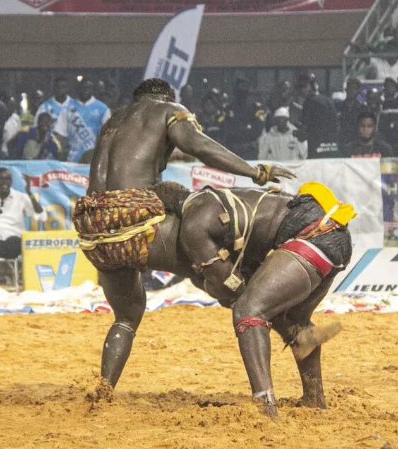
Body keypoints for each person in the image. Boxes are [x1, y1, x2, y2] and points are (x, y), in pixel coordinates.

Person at [70, 78, 295, 408]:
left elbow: (130, 160)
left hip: (93, 227)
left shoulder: (115, 119)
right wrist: (254, 171)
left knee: (127, 316)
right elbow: (200, 146)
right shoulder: (168, 110)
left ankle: (104, 391)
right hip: (135, 218)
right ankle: (289, 337)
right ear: (166, 97)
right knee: (210, 261)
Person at [137, 180, 354, 417]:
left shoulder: (192, 221)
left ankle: (265, 405)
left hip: (312, 236)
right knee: (291, 318)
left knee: (248, 311)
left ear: (166, 214)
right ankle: (314, 398)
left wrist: (207, 283)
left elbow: (229, 287)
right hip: (334, 235)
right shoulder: (213, 197)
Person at [54, 78, 112, 162]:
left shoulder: (103, 109)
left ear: (93, 90)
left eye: (88, 88)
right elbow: (61, 134)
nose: (85, 90)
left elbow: (107, 136)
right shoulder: (67, 108)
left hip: (93, 158)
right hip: (72, 159)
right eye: (83, 88)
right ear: (78, 89)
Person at [295, 74, 340, 159]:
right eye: (300, 87)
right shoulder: (328, 100)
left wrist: (296, 132)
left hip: (317, 151)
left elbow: (304, 132)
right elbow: (337, 126)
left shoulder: (309, 102)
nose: (302, 90)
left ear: (312, 86)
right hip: (333, 149)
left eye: (304, 86)